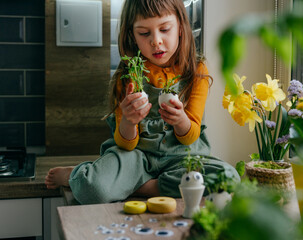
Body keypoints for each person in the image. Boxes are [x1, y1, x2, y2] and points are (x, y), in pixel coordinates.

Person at [45, 0, 240, 204]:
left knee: (228, 178)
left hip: (181, 157)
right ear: (132, 35)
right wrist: (129, 121)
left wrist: (180, 119)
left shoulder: (196, 70)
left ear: (181, 27)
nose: (156, 41)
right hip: (136, 157)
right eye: (144, 33)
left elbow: (190, 136)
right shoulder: (128, 73)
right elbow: (125, 144)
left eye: (164, 29)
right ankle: (77, 175)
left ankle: (141, 186)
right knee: (93, 190)